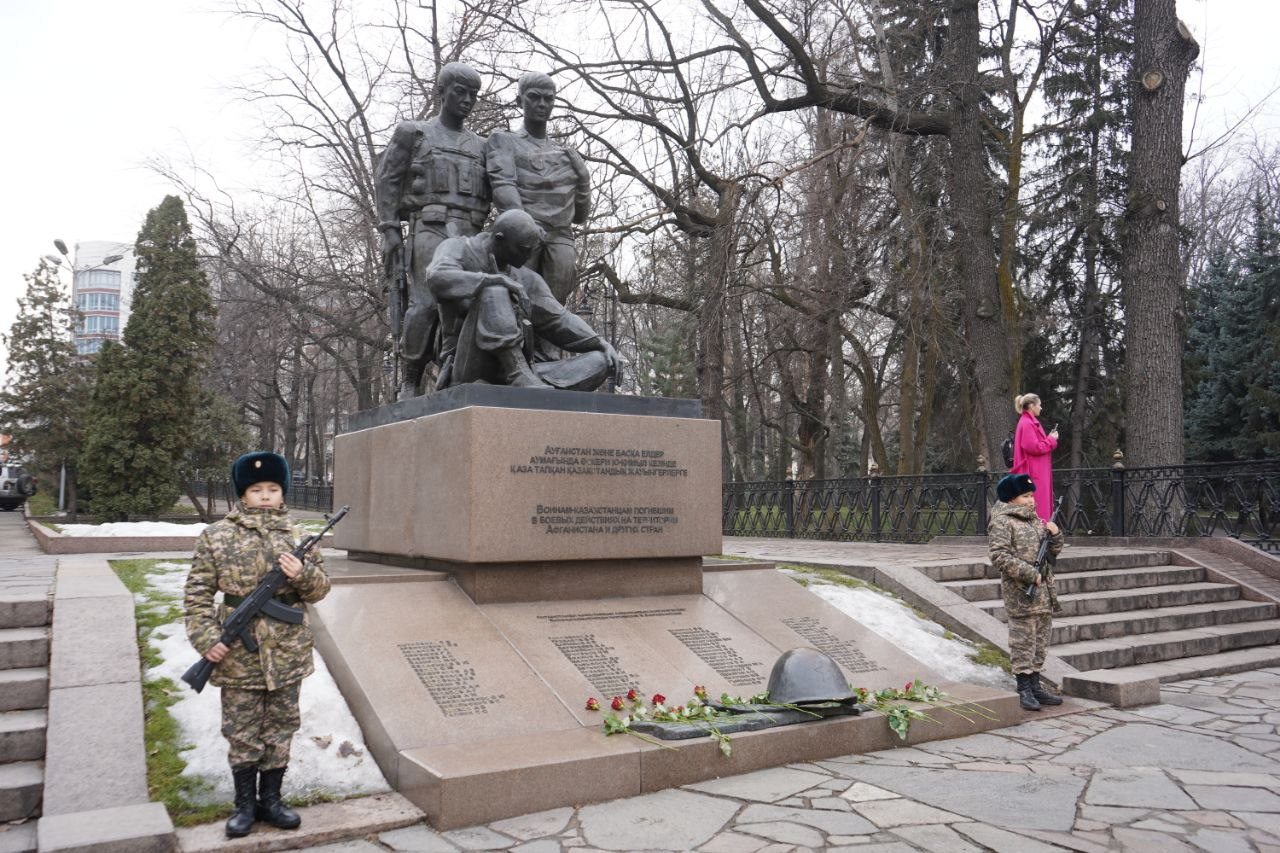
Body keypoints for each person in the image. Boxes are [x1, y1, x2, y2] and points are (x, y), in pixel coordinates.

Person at [184, 452, 331, 838]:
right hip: (238, 656)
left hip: (287, 653)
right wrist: (207, 640)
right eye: (256, 489)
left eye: (272, 489)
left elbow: (320, 590)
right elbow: (197, 595)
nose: (265, 496)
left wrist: (303, 573)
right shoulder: (216, 536)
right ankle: (244, 805)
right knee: (242, 731)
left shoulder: (299, 537)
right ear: (243, 494)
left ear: (282, 494)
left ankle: (273, 801)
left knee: (281, 727)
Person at [375, 62, 490, 399]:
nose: (467, 100)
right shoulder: (414, 133)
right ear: (442, 92)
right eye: (460, 92)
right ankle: (410, 376)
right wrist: (389, 228)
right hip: (431, 227)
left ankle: (458, 368)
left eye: (473, 95)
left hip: (471, 234)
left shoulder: (483, 146)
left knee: (475, 302)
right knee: (426, 303)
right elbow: (388, 180)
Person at [427, 209, 623, 389]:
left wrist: (601, 343)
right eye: (523, 249)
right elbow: (437, 277)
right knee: (494, 290)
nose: (528, 255)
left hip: (528, 377)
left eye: (531, 249)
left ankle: (520, 390)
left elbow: (558, 320)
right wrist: (492, 279)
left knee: (602, 360)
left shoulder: (527, 279)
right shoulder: (457, 248)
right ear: (499, 239)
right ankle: (517, 374)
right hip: (470, 368)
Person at [484, 72, 592, 303]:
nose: (542, 104)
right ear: (519, 101)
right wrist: (527, 226)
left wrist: (584, 179)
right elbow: (503, 187)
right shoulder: (503, 141)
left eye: (548, 98)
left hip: (561, 236)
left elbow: (580, 216)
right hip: (521, 235)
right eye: (534, 97)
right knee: (518, 302)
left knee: (555, 306)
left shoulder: (566, 155)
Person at [989, 473, 1064, 712]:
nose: (1031, 500)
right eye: (1025, 496)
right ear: (1011, 499)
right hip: (1022, 593)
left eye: (1032, 495)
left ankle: (1036, 685)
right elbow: (999, 556)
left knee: (1040, 642)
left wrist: (1055, 534)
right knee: (1023, 642)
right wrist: (1030, 574)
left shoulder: (1035, 521)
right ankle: (1023, 688)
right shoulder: (1003, 521)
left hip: (1044, 594)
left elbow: (1053, 554)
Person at [1010, 392, 1058, 522]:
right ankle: (1040, 536)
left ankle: (1042, 535)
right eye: (1039, 405)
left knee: (1038, 506)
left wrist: (1049, 439)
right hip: (1033, 473)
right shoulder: (1027, 423)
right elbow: (1034, 447)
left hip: (1035, 471)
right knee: (1038, 506)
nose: (1041, 408)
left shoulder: (1028, 422)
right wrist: (1051, 440)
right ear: (1031, 406)